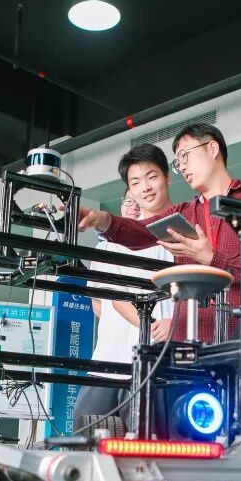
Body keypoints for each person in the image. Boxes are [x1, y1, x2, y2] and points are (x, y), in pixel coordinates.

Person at [77, 123, 241, 343]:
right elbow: (140, 231)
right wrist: (102, 219)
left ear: (212, 149)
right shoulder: (184, 213)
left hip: (238, 338)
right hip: (184, 340)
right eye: (178, 163)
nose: (182, 167)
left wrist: (211, 258)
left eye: (185, 156)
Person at [73, 144, 174, 422]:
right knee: (87, 430)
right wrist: (148, 324)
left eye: (151, 177)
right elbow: (107, 300)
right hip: (111, 358)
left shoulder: (181, 233)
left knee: (147, 436)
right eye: (135, 183)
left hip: (160, 358)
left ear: (167, 177)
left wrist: (170, 324)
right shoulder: (114, 243)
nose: (145, 189)